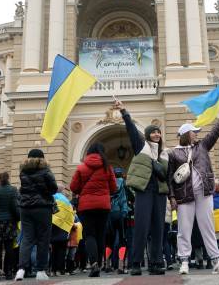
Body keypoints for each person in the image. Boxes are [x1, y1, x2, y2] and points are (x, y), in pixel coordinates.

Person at [167, 109, 219, 275]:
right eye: (193, 132)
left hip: (204, 193)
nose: (196, 135)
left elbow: (214, 134)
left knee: (208, 226)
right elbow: (170, 178)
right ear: (186, 134)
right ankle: (184, 262)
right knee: (184, 228)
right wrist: (172, 197)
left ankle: (216, 262)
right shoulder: (174, 153)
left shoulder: (202, 146)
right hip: (184, 196)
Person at [116, 99, 169, 276]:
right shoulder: (142, 147)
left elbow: (168, 176)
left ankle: (155, 262)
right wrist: (125, 112)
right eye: (153, 132)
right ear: (147, 135)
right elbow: (131, 130)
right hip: (144, 191)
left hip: (160, 193)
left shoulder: (164, 153)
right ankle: (136, 263)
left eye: (158, 132)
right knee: (141, 227)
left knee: (158, 228)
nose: (156, 134)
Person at [70, 143, 117, 277]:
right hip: (103, 206)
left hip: (85, 207)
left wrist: (83, 190)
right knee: (100, 234)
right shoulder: (108, 168)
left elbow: (73, 187)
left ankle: (94, 264)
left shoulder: (81, 167)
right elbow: (114, 188)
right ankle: (100, 264)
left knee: (89, 234)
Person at [15, 148, 58, 281]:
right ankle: (40, 270)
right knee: (43, 239)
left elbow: (23, 189)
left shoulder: (23, 172)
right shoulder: (46, 170)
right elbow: (54, 188)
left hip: (26, 208)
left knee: (27, 238)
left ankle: (21, 269)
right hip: (43, 207)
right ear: (42, 158)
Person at [105, 167, 128, 273]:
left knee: (109, 240)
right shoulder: (124, 183)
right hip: (121, 213)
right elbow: (129, 197)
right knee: (122, 240)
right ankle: (120, 266)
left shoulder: (109, 184)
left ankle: (107, 265)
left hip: (110, 213)